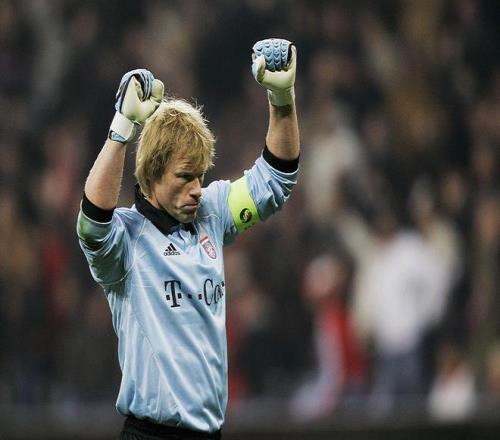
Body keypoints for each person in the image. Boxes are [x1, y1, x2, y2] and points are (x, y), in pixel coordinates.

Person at [76, 38, 299, 439]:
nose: (197, 189)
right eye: (184, 177)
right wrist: (122, 128)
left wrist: (281, 98)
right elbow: (92, 222)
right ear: (151, 176)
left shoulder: (211, 213)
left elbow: (276, 179)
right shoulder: (126, 241)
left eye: (200, 175)